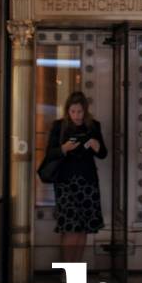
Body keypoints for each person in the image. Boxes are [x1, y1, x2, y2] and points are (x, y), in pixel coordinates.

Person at [45, 90, 107, 268]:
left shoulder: (93, 126)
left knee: (83, 228)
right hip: (65, 182)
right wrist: (64, 148)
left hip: (87, 182)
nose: (77, 116)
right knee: (70, 227)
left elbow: (103, 154)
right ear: (67, 111)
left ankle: (77, 268)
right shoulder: (59, 126)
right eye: (73, 112)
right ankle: (67, 270)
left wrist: (97, 146)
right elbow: (50, 153)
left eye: (80, 112)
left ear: (85, 111)